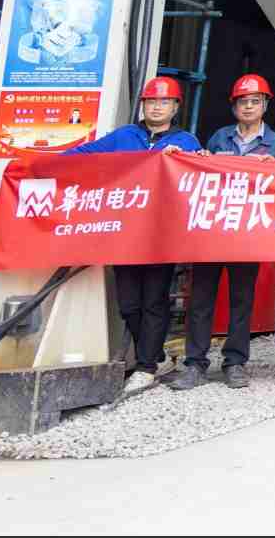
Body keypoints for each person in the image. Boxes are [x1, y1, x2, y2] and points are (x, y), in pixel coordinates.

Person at [70, 75, 200, 396]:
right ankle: (155, 356)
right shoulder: (124, 137)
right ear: (143, 105)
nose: (157, 107)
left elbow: (201, 171)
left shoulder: (186, 142)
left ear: (175, 107)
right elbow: (84, 155)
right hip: (125, 235)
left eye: (164, 102)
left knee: (154, 300)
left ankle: (146, 367)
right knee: (128, 303)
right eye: (151, 102)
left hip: (161, 236)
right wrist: (38, 165)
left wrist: (183, 159)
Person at [173, 74, 275, 391]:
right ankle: (195, 363)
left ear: (264, 105)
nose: (248, 107)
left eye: (254, 101)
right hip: (214, 230)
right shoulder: (219, 138)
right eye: (242, 102)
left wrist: (274, 168)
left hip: (248, 233)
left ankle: (235, 363)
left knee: (241, 299)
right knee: (201, 299)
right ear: (234, 107)